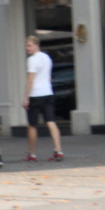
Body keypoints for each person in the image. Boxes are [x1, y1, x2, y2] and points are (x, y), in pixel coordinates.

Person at [22, 34, 63, 162]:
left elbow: (30, 79)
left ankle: (32, 154)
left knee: (32, 125)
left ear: (36, 45)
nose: (27, 48)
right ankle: (58, 150)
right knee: (51, 122)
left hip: (35, 95)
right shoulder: (47, 58)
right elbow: (49, 77)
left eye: (29, 45)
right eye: (26, 46)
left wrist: (26, 97)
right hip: (48, 93)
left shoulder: (32, 60)